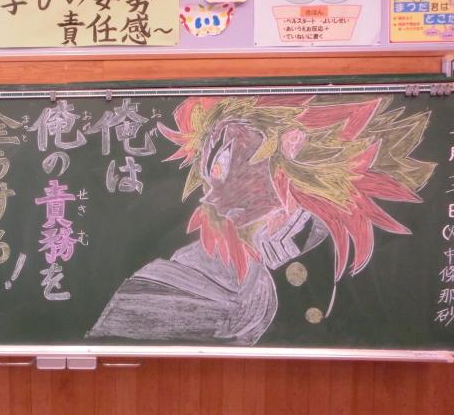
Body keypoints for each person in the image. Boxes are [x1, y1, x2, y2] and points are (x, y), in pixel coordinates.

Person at [86, 95, 435, 345]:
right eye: (209, 178)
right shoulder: (191, 275)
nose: (210, 196)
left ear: (291, 143)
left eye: (223, 167)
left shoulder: (381, 259)